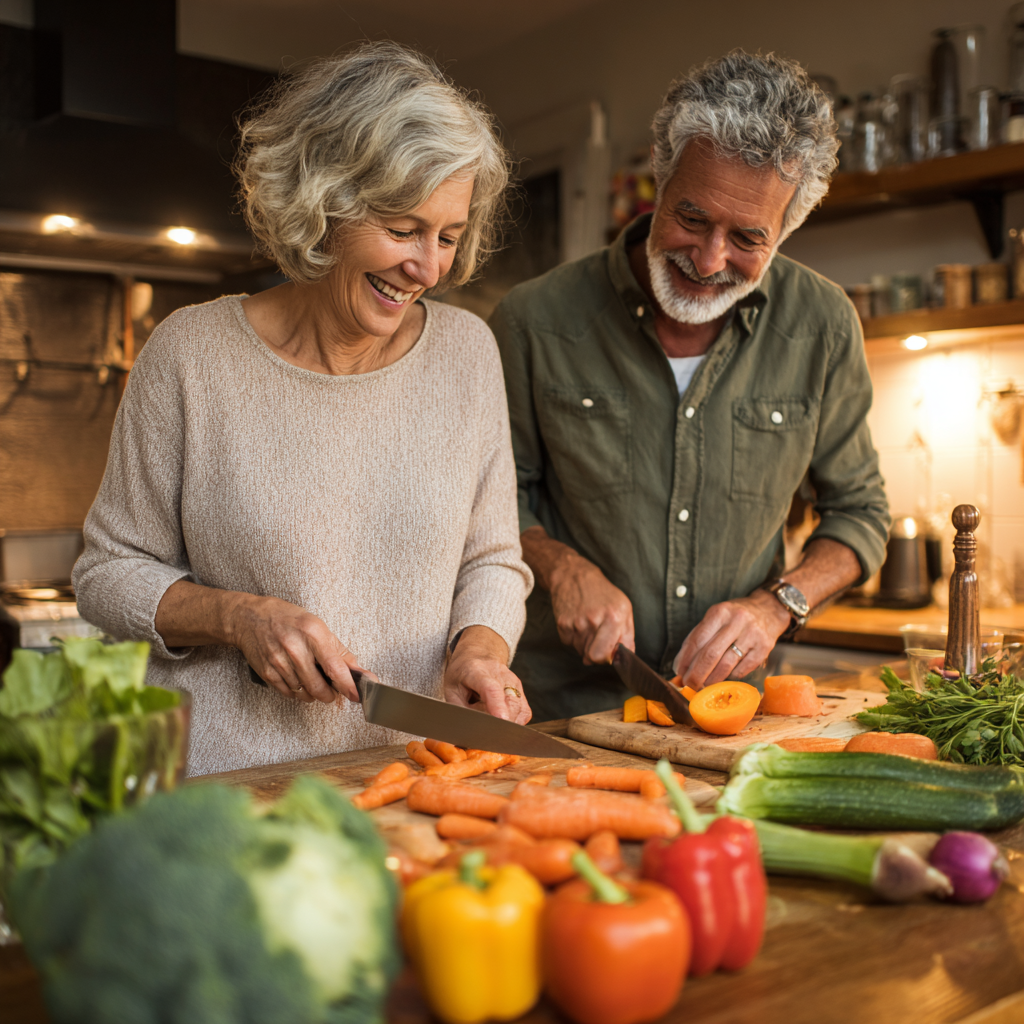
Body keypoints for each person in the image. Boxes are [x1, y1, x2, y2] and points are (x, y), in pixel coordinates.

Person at [73, 43, 533, 775]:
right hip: (228, 787)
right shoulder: (191, 355)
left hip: (415, 780)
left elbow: (493, 560)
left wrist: (479, 646)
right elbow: (107, 574)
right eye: (404, 229)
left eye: (448, 236)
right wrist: (238, 616)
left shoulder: (466, 354)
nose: (429, 267)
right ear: (326, 204)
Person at [491, 51, 890, 722]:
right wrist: (561, 568)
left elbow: (860, 513)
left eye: (747, 238)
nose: (708, 261)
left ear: (787, 230)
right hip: (558, 718)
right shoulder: (534, 321)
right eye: (693, 218)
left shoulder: (823, 326)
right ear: (661, 172)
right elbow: (493, 499)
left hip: (730, 719)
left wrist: (777, 605)